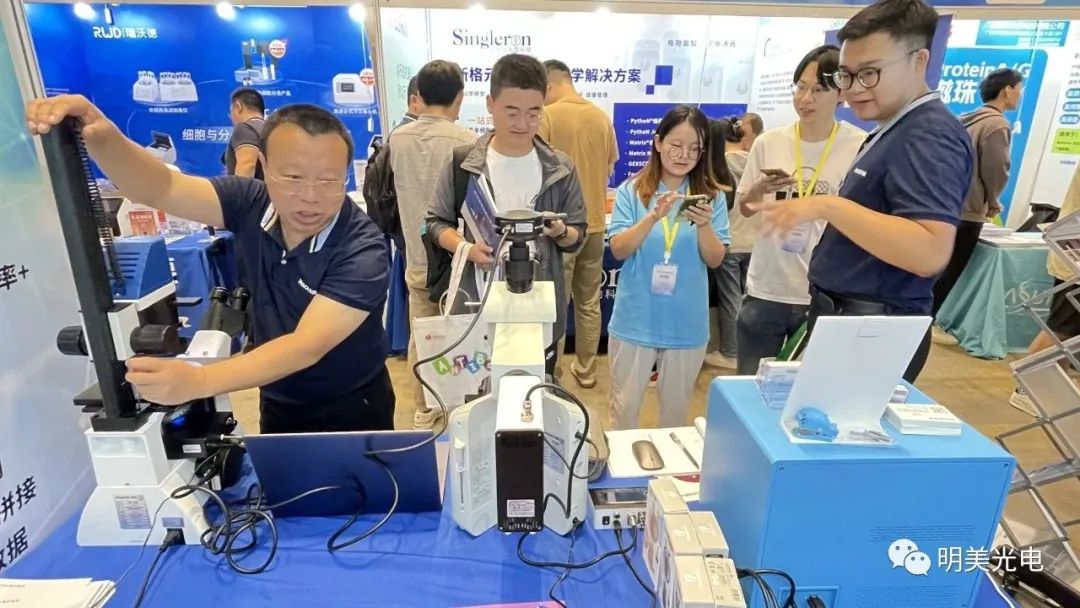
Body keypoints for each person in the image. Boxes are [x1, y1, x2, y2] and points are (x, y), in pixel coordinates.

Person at [27, 96, 394, 434]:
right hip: (278, 399)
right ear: (264, 166)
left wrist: (199, 380)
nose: (310, 197)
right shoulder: (249, 202)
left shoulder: (362, 248)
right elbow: (161, 186)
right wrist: (103, 135)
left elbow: (305, 345)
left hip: (353, 405)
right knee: (280, 480)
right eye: (293, 177)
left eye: (329, 180)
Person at [755, 0, 974, 383]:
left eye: (870, 73)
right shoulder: (895, 128)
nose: (854, 89)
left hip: (871, 329)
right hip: (850, 321)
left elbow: (929, 251)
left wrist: (828, 206)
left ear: (919, 61)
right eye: (847, 75)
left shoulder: (928, 135)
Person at [426, 54, 587, 378]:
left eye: (534, 113)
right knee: (481, 392)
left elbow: (577, 235)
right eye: (511, 112)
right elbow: (433, 223)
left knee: (535, 389)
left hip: (540, 305)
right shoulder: (464, 164)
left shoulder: (560, 168)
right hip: (480, 305)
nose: (523, 124)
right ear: (490, 104)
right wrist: (467, 249)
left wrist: (559, 231)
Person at [734, 45, 866, 376]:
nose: (805, 99)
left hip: (824, 293)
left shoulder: (859, 146)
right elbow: (745, 208)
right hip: (766, 287)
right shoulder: (769, 142)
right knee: (750, 384)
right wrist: (760, 189)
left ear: (841, 93)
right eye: (801, 87)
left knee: (809, 388)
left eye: (818, 90)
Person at [607, 105, 731, 430]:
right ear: (658, 142)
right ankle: (621, 465)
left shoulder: (711, 197)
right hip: (636, 318)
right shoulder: (632, 191)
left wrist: (704, 225)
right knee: (624, 410)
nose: (683, 155)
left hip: (686, 323)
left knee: (675, 417)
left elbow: (715, 259)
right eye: (676, 145)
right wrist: (651, 218)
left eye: (694, 148)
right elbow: (619, 249)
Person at [390, 60, 477, 429]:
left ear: (419, 96)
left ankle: (424, 409)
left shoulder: (397, 139)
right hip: (458, 259)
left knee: (421, 335)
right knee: (461, 337)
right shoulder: (468, 141)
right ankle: (459, 409)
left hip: (415, 255)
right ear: (460, 97)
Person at [539, 59, 619, 389]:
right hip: (596, 226)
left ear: (549, 85)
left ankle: (553, 371)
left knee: (556, 304)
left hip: (559, 229)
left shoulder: (547, 116)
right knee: (589, 302)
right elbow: (610, 168)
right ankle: (586, 370)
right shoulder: (601, 117)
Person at [932, 68, 1023, 344]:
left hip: (946, 203)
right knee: (950, 272)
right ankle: (927, 323)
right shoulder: (997, 125)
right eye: (1019, 88)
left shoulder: (966, 119)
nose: (1020, 95)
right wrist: (993, 201)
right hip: (969, 210)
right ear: (1007, 90)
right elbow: (996, 170)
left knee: (935, 267)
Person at [1010, 166, 1080, 414]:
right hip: (1073, 260)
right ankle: (1026, 390)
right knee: (1060, 330)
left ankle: (1049, 390)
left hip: (1072, 255)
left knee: (1067, 333)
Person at [704, 118, 745, 370]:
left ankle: (728, 350)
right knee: (733, 297)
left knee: (728, 298)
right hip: (738, 243)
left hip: (720, 247)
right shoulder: (727, 173)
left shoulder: (714, 180)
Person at [224, 87, 265, 179]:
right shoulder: (271, 130)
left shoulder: (245, 128)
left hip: (249, 188)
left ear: (238, 107)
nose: (231, 117)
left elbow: (247, 166)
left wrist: (238, 189)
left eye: (231, 111)